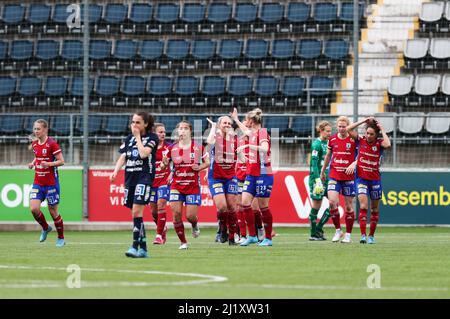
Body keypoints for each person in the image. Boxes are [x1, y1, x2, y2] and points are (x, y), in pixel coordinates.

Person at [110, 112, 158, 258]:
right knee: (136, 215)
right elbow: (123, 156)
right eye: (133, 122)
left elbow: (144, 154)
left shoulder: (152, 138)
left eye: (138, 122)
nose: (134, 125)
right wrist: (115, 171)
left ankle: (134, 246)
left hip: (144, 178)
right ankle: (143, 249)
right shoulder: (129, 138)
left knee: (137, 212)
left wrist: (138, 137)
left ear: (146, 124)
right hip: (130, 179)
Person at [160, 121, 210, 250]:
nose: (182, 131)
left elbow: (208, 162)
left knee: (190, 216)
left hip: (192, 186)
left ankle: (194, 225)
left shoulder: (198, 147)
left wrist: (199, 167)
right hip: (176, 185)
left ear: (190, 131)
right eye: (180, 128)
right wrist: (164, 163)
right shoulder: (172, 148)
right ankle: (183, 242)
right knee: (176, 214)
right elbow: (162, 165)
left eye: (185, 128)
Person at [231, 108, 274, 247]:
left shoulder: (262, 132)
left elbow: (265, 148)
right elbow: (245, 131)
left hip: (263, 173)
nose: (246, 123)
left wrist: (248, 145)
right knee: (245, 202)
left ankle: (268, 238)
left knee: (263, 206)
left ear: (251, 121)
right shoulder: (252, 133)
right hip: (252, 173)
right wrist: (236, 120)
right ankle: (253, 236)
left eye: (246, 119)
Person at [346, 117, 391, 244]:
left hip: (375, 180)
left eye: (371, 134)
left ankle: (371, 235)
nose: (369, 136)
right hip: (361, 179)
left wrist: (382, 129)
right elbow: (348, 129)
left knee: (374, 209)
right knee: (364, 206)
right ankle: (363, 235)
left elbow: (388, 144)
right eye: (367, 133)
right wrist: (362, 121)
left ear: (376, 135)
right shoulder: (361, 140)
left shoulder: (379, 143)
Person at [28, 119, 66, 247]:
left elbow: (62, 161)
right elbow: (37, 156)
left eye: (38, 129)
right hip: (38, 182)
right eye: (35, 129)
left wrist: (48, 164)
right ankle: (45, 228)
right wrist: (33, 163)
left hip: (51, 184)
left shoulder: (52, 144)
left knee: (53, 211)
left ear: (45, 129)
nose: (36, 131)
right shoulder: (34, 144)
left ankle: (61, 238)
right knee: (34, 208)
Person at [320, 116, 357, 243]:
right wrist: (323, 170)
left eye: (344, 126)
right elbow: (328, 155)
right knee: (332, 203)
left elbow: (362, 154)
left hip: (348, 177)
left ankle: (348, 234)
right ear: (337, 127)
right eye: (340, 126)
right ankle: (338, 230)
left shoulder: (353, 139)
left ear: (348, 126)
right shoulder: (332, 139)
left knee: (348, 207)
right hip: (334, 175)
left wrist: (355, 163)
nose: (341, 129)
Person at [206, 116, 239, 245]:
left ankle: (232, 237)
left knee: (232, 207)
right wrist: (213, 127)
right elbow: (208, 143)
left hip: (230, 177)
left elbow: (240, 156)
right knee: (222, 207)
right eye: (224, 123)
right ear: (220, 125)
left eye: (229, 123)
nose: (227, 125)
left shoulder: (235, 140)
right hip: (216, 178)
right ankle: (222, 228)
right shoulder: (216, 138)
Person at [308, 121, 332, 241]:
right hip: (317, 179)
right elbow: (314, 164)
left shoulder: (329, 143)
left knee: (334, 204)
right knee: (317, 205)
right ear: (321, 130)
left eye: (330, 131)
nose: (329, 133)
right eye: (327, 131)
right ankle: (313, 233)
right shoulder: (316, 144)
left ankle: (318, 228)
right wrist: (317, 180)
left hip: (329, 178)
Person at [150, 123, 171, 245]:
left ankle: (158, 235)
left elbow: (177, 163)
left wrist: (171, 174)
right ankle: (162, 227)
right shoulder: (149, 148)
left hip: (164, 181)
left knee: (161, 205)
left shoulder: (169, 147)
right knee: (153, 211)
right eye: (160, 132)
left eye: (164, 132)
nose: (163, 134)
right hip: (152, 183)